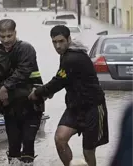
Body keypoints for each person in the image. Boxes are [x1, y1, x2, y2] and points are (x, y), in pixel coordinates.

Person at [28, 25, 109, 166]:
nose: (58, 46)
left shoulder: (73, 57)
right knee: (60, 139)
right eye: (54, 42)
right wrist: (50, 91)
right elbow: (64, 79)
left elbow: (58, 81)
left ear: (69, 39)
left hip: (93, 108)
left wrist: (38, 93)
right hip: (75, 107)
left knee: (88, 151)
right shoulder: (66, 55)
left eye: (61, 41)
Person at [0, 19, 44, 165]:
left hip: (31, 104)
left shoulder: (26, 48)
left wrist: (5, 87)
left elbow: (23, 71)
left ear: (15, 33)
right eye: (3, 36)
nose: (6, 40)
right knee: (13, 145)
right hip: (11, 106)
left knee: (28, 142)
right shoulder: (0, 54)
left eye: (9, 35)